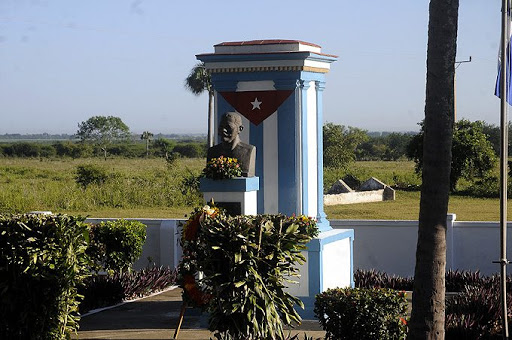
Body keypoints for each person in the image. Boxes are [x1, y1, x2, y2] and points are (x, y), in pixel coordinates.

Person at [207, 112, 256, 177]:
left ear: (240, 129)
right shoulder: (212, 152)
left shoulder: (248, 151)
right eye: (221, 127)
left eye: (228, 127)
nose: (223, 130)